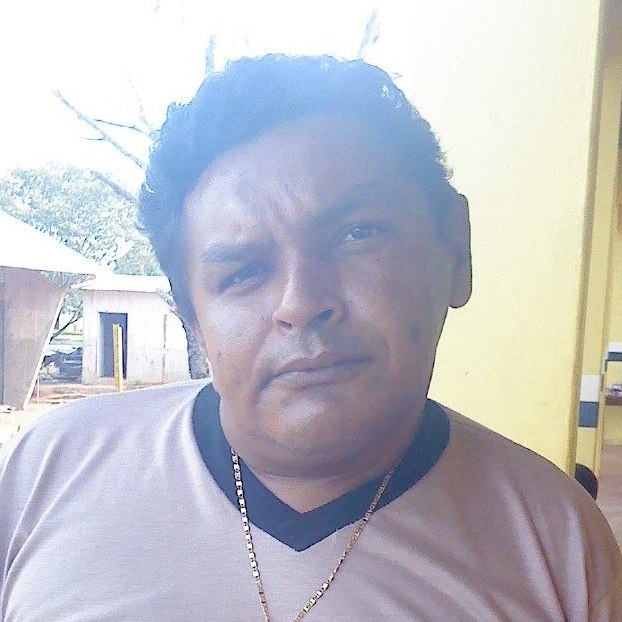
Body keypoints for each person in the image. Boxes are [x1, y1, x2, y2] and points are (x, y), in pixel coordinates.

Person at [1, 55, 621, 621]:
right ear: (192, 315)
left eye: (357, 234)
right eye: (243, 271)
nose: (301, 304)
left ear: (455, 250)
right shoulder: (51, 471)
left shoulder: (555, 541)